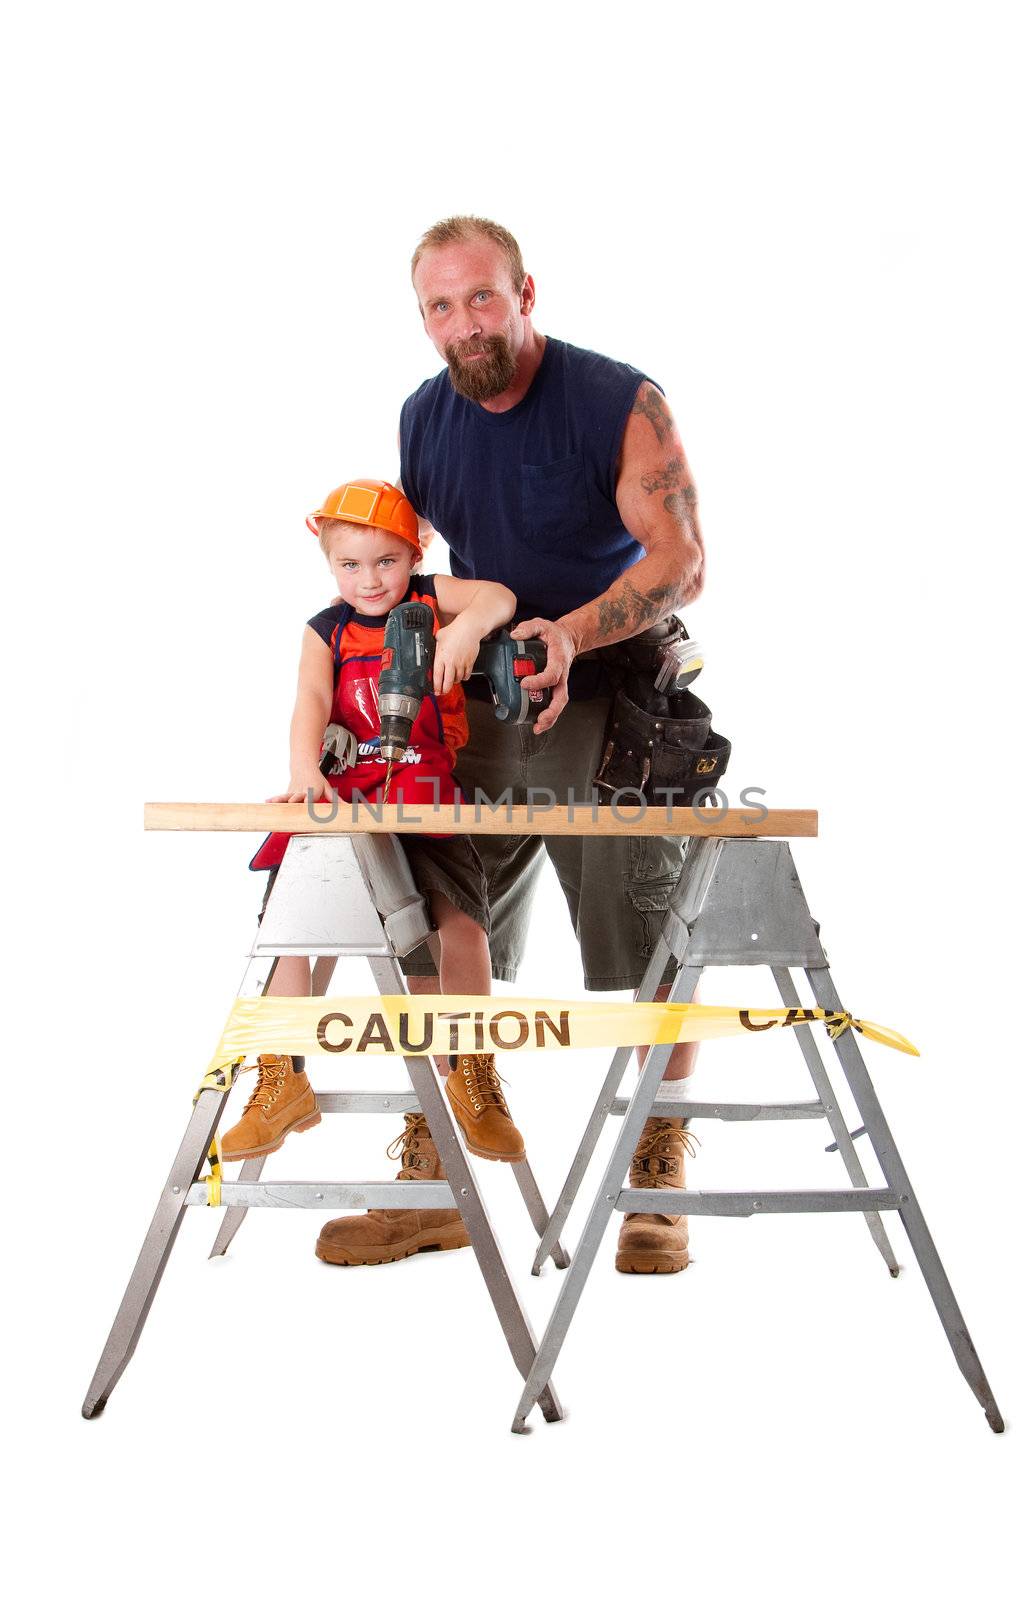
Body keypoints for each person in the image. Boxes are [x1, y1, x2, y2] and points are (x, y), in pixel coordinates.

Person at [318, 218, 707, 1275]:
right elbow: (412, 570)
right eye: (439, 307)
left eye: (480, 298)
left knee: (649, 931)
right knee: (439, 922)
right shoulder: (423, 417)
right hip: (476, 707)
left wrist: (570, 634)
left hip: (608, 693)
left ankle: (653, 1169)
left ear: (524, 291)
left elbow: (682, 560)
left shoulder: (615, 403)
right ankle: (438, 1170)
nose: (462, 324)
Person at [221, 478, 528, 1266]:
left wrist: (465, 631)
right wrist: (303, 774)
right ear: (329, 566)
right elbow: (308, 703)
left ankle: (472, 1071)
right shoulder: (324, 630)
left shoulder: (430, 596)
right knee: (300, 927)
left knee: (460, 923)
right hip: (351, 788)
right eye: (350, 565)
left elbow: (496, 593)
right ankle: (279, 1074)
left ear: (412, 555)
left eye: (385, 561)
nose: (370, 580)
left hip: (425, 787)